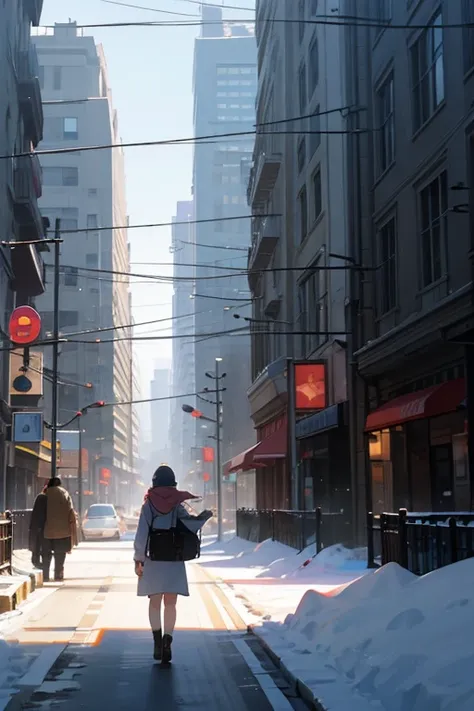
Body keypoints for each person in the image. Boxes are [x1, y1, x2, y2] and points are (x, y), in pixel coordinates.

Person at [134, 465, 213, 664]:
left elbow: (142, 534)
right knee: (171, 603)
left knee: (154, 602)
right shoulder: (178, 504)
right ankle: (168, 641)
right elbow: (190, 525)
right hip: (174, 558)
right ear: (173, 483)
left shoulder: (148, 504)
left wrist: (139, 559)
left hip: (153, 558)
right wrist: (203, 517)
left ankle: (157, 643)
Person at [41, 477, 78, 582]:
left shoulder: (45, 494)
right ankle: (58, 574)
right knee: (60, 554)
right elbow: (71, 512)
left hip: (47, 530)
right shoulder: (65, 494)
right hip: (63, 531)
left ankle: (45, 575)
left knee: (46, 554)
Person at [29, 485, 48, 569]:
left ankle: (36, 560)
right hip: (43, 525)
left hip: (37, 525)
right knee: (41, 544)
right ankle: (38, 562)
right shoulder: (44, 498)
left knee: (36, 544)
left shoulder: (40, 497)